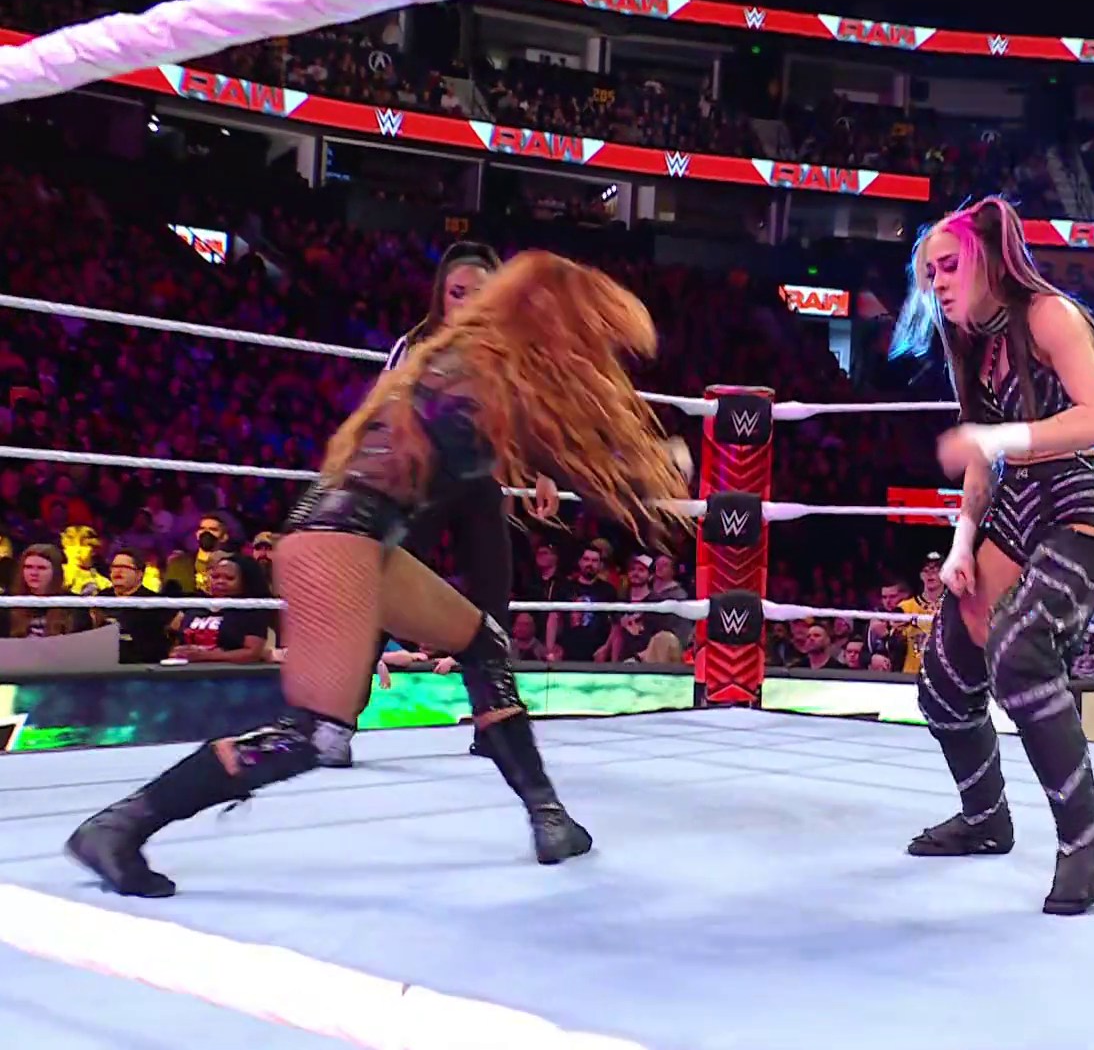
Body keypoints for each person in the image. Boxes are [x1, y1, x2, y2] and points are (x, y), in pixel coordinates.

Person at [66, 251, 692, 897]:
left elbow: (535, 447)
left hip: (362, 539)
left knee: (482, 642)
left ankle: (548, 816)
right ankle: (122, 825)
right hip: (336, 541)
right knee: (314, 734)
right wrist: (658, 462)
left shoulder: (474, 363)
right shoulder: (481, 368)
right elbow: (587, 459)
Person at [890, 196, 1094, 915]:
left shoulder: (1050, 315)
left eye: (949, 266)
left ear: (988, 259)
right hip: (1013, 508)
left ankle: (1088, 842)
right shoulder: (971, 342)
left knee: (1021, 656)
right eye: (929, 273)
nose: (938, 283)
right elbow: (979, 458)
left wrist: (999, 441)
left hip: (1073, 502)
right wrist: (961, 543)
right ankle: (986, 818)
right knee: (943, 676)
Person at [322, 241, 559, 768]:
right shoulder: (415, 347)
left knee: (493, 599)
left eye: (481, 294)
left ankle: (495, 724)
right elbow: (377, 412)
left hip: (476, 484)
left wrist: (542, 471)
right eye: (458, 293)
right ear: (442, 297)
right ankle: (336, 720)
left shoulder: (510, 353)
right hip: (417, 484)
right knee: (383, 592)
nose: (469, 304)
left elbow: (531, 416)